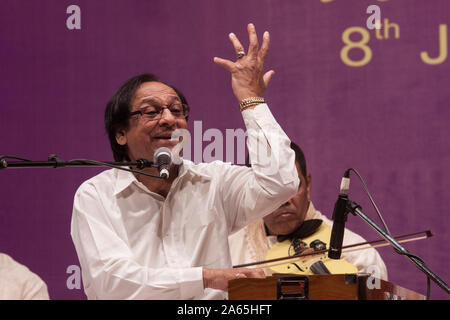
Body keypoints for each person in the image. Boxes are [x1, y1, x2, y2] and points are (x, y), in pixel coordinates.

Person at [70, 24, 300, 299]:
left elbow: (282, 183)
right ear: (121, 134)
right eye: (151, 111)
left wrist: (251, 100)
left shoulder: (214, 182)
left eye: (177, 110)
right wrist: (206, 277)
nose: (169, 119)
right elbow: (113, 283)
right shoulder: (96, 195)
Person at [228, 142, 388, 281]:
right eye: (271, 190)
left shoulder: (358, 254)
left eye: (292, 186)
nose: (284, 200)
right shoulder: (229, 251)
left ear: (308, 185)